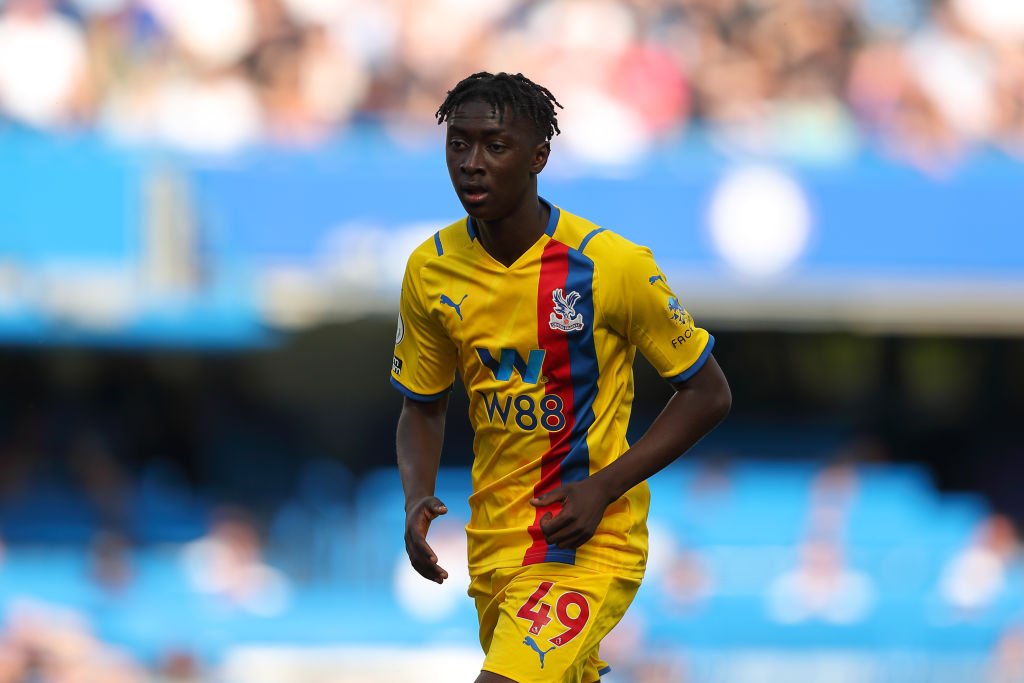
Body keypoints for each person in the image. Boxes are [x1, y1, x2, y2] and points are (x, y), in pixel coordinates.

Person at [391, 71, 731, 683]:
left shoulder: (610, 265)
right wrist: (416, 494)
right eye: (458, 144)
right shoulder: (430, 270)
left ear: (538, 156)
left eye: (495, 146)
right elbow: (423, 404)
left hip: (585, 541)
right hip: (493, 543)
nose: (472, 163)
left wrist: (603, 487)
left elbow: (707, 392)